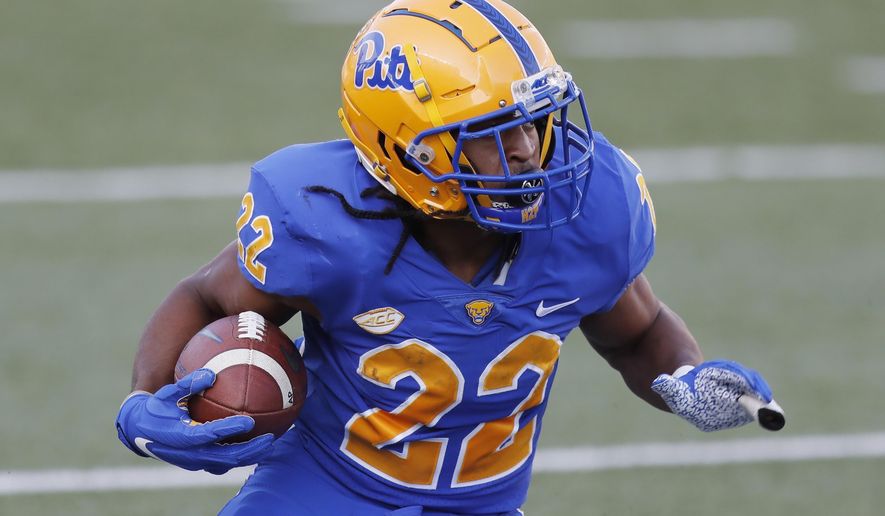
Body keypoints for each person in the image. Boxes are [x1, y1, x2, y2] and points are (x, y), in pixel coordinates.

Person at [115, 1, 784, 514]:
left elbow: (637, 335)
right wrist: (145, 402)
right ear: (406, 149)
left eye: (533, 120)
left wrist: (685, 379)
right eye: (492, 134)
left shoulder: (583, 217)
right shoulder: (328, 224)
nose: (526, 148)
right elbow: (206, 296)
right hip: (323, 485)